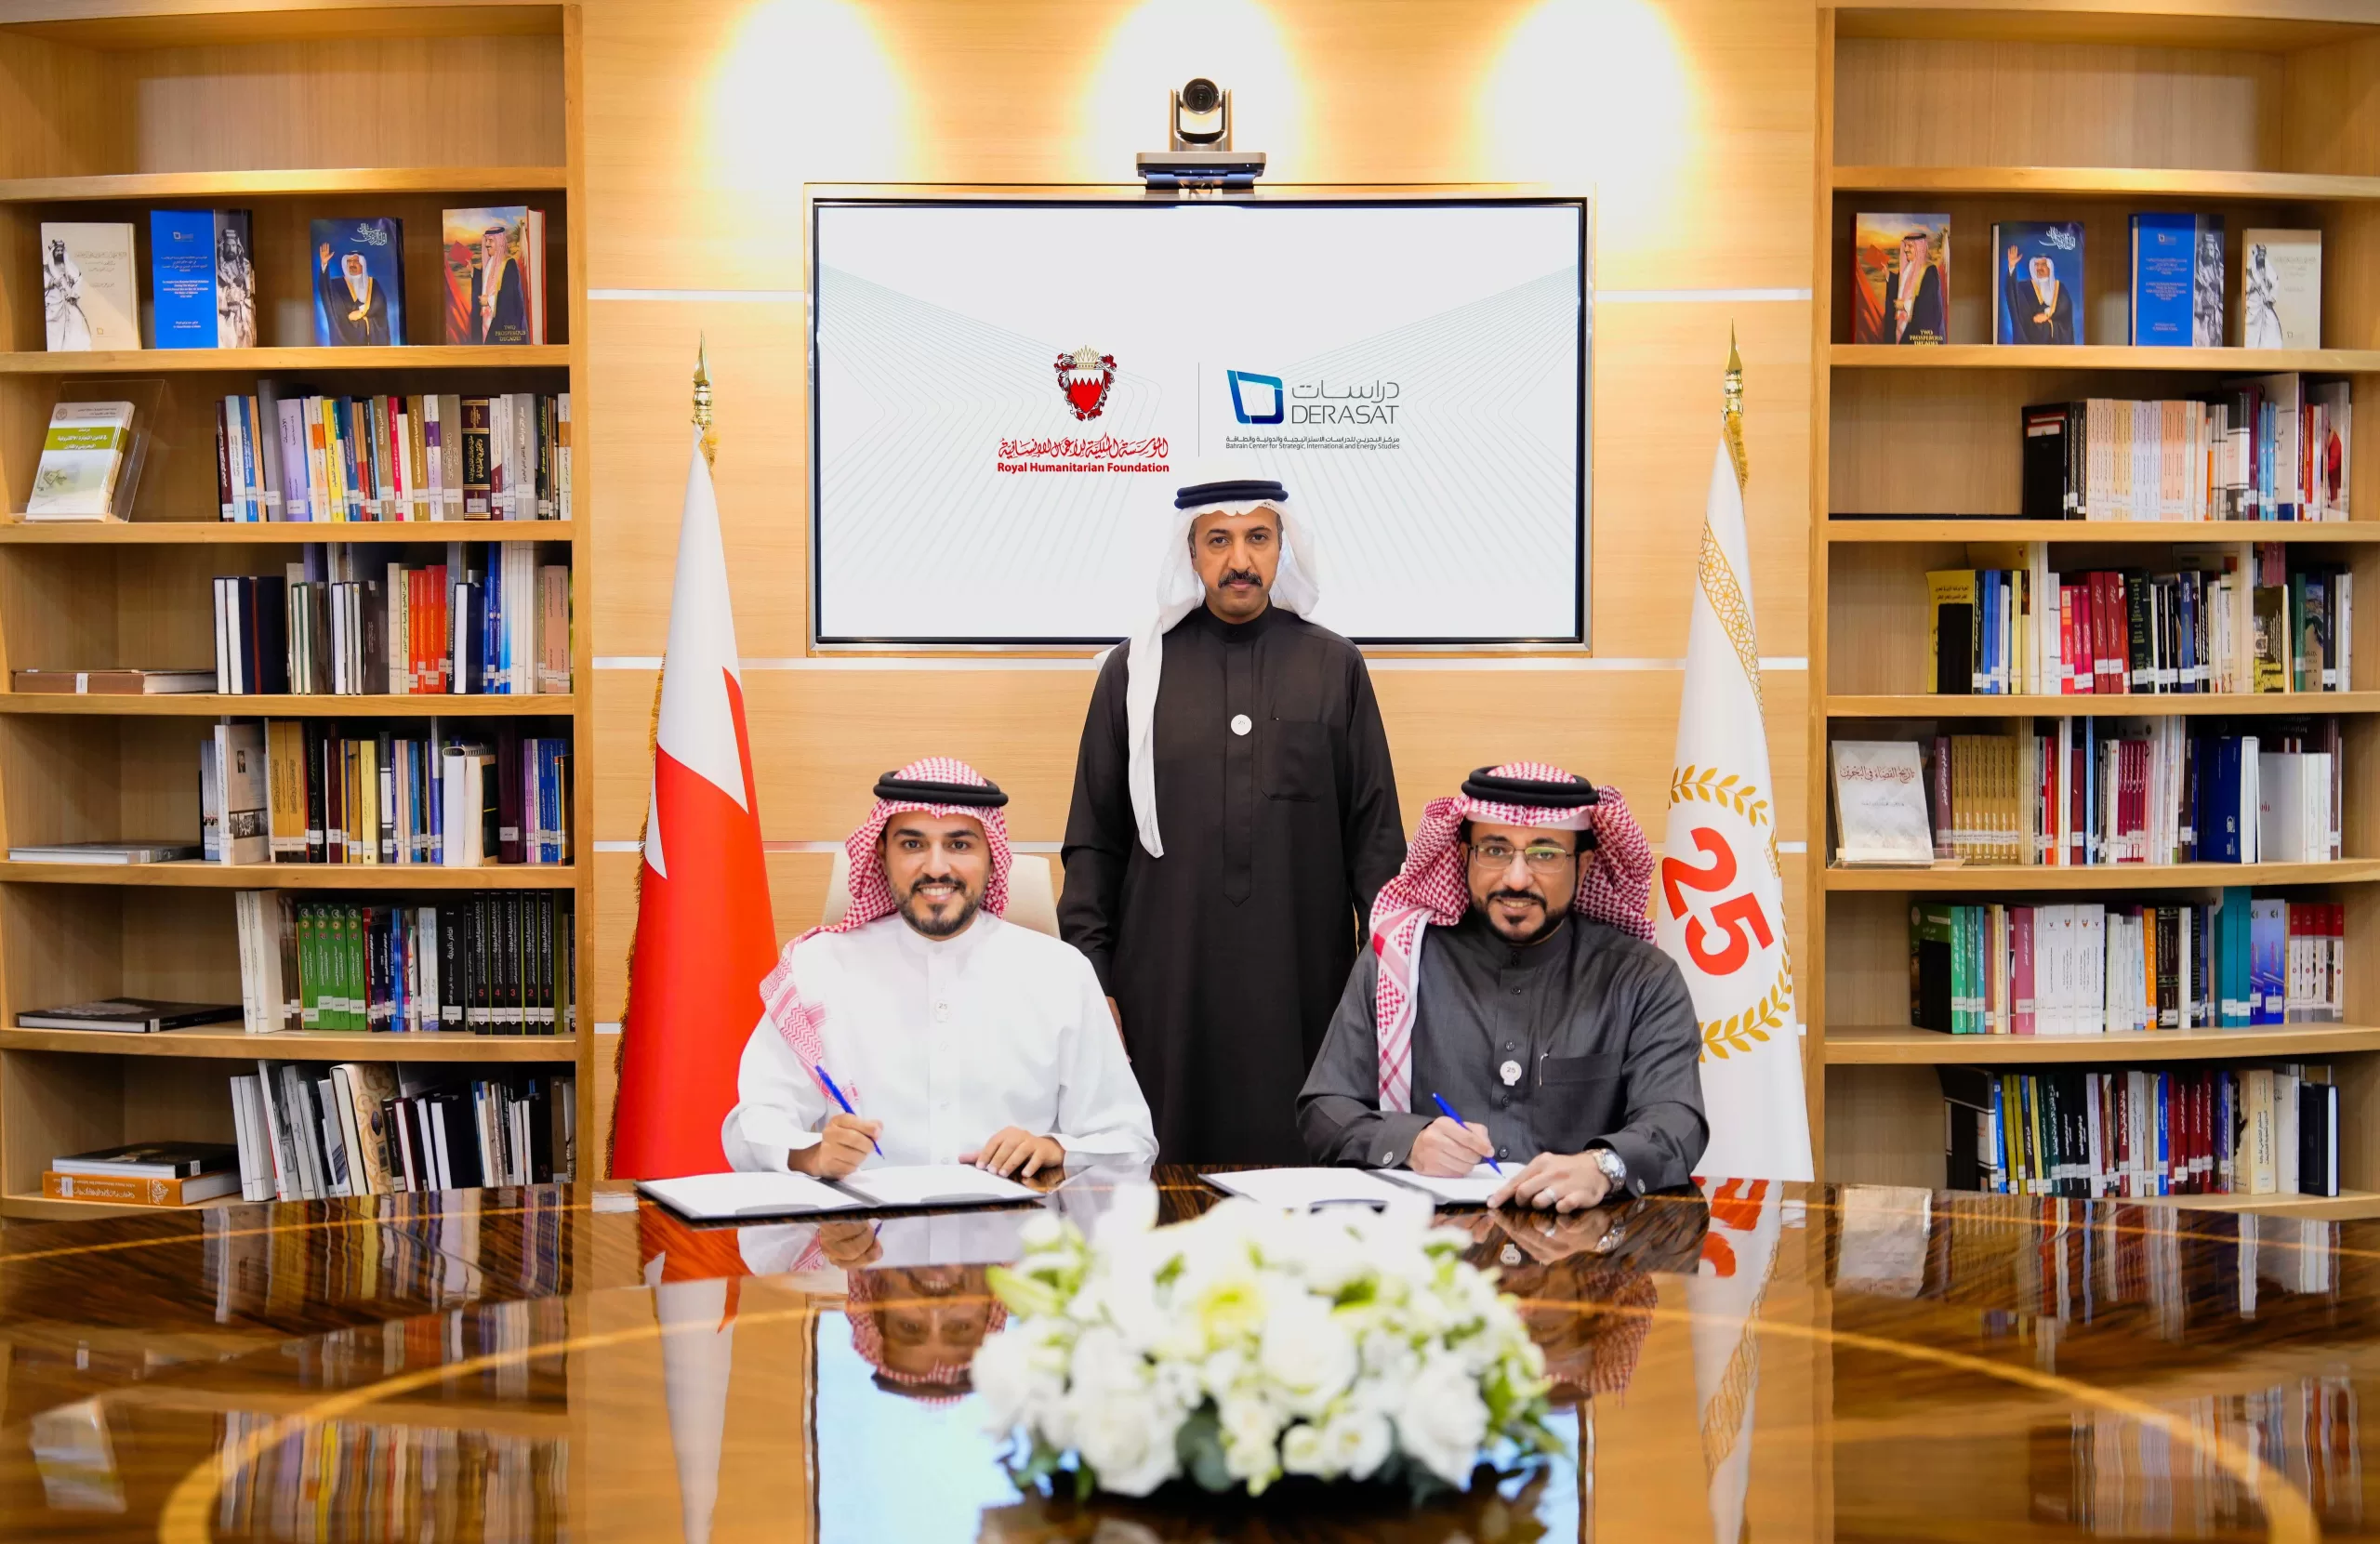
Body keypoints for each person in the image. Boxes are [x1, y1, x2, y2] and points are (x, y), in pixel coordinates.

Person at [1059, 467, 1405, 1163]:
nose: (1239, 559)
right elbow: (1094, 845)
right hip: (1164, 987)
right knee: (1163, 1180)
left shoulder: (1335, 666)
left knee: (1303, 1178)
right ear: (1190, 552)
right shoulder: (1133, 671)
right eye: (1217, 540)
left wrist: (1383, 994)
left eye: (1257, 538)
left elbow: (1375, 848)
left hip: (1304, 989)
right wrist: (1094, 981)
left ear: (1282, 547)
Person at [721, 758, 1157, 1178]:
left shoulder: (1061, 973)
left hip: (1016, 1227)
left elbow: (1130, 1142)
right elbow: (749, 1129)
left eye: (959, 845)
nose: (935, 867)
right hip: (866, 1227)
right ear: (881, 853)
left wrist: (1057, 1149)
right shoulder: (818, 967)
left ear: (992, 854)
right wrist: (813, 1155)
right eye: (912, 844)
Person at [1297, 761, 1707, 1207]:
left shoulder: (1642, 978)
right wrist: (1408, 1141)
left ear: (1584, 865)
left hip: (1584, 1241)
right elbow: (1325, 1109)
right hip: (1431, 1240)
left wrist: (1602, 1166)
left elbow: (1676, 1120)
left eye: (1545, 854)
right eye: (1495, 850)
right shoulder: (1399, 962)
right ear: (1463, 856)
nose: (1516, 878)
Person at [316, 245, 390, 346]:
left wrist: (361, 313)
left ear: (362, 264)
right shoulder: (337, 285)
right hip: (346, 340)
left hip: (370, 341)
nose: (352, 264)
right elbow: (325, 290)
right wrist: (324, 264)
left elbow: (379, 305)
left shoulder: (373, 283)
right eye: (349, 261)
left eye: (355, 261)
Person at [2002, 248, 2073, 345]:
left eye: (2043, 264)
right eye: (2036, 265)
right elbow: (2012, 293)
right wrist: (2012, 266)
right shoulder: (2025, 287)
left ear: (2050, 267)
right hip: (2030, 343)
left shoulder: (2060, 288)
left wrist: (2047, 315)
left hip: (2055, 344)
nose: (2039, 268)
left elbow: (2065, 309)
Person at [470, 223, 528, 344]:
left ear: (499, 242)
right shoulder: (489, 263)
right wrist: (473, 272)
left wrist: (489, 301)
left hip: (500, 320)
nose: (487, 244)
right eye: (486, 240)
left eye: (491, 241)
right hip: (486, 318)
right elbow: (484, 283)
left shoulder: (509, 264)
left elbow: (509, 296)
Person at [1886, 229, 1944, 344]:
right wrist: (1889, 276)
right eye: (1905, 246)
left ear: (1919, 248)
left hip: (1916, 329)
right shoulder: (1907, 268)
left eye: (1910, 246)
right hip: (1901, 325)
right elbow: (1901, 287)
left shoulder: (1929, 271)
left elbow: (1927, 303)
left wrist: (1904, 305)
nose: (1906, 249)